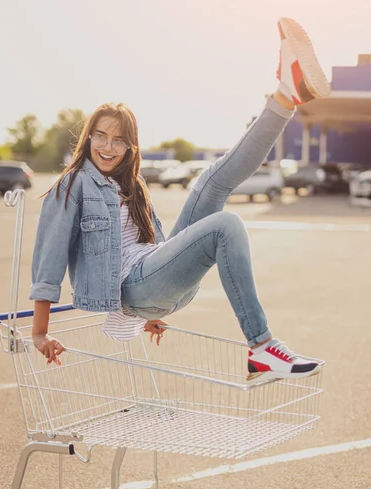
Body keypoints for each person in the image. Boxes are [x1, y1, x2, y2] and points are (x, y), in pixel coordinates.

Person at [30, 17, 330, 383]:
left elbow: (146, 247)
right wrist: (40, 332)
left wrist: (150, 312)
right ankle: (262, 347)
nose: (109, 147)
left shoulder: (133, 184)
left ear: (131, 146)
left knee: (212, 183)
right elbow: (49, 259)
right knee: (225, 226)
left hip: (153, 283)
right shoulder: (72, 184)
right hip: (134, 289)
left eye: (120, 140)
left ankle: (285, 95)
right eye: (102, 136)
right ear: (88, 137)